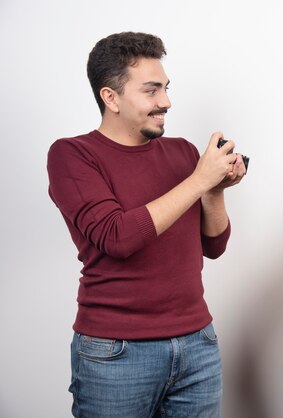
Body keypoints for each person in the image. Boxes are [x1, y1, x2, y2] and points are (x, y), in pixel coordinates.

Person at [47, 32, 246, 417]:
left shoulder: (183, 152)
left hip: (198, 345)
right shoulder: (72, 154)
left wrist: (215, 188)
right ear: (111, 97)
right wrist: (200, 180)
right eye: (152, 91)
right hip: (116, 352)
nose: (166, 102)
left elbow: (215, 246)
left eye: (166, 89)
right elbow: (117, 236)